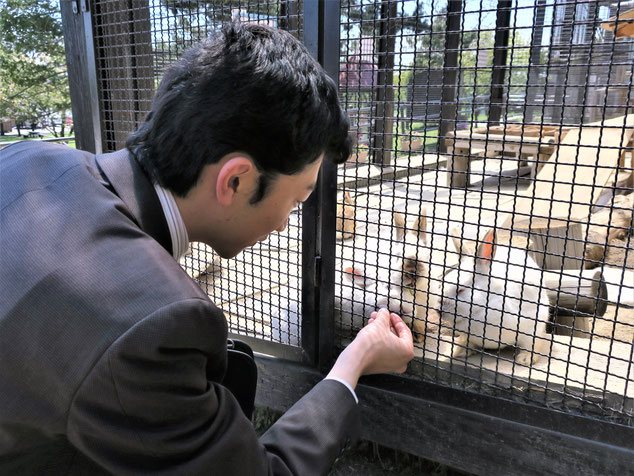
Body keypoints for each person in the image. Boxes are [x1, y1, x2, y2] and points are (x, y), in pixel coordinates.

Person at [0, 22, 414, 475]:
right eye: (296, 200)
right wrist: (353, 364)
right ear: (235, 180)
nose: (285, 223)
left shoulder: (26, 158)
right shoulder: (152, 325)